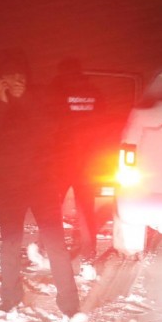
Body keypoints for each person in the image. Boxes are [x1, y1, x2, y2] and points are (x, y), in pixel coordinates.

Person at [0, 48, 80, 317]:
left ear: (26, 76)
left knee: (55, 242)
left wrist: (26, 99)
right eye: (7, 76)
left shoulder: (41, 95)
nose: (14, 80)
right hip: (9, 187)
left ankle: (69, 304)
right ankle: (10, 299)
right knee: (10, 243)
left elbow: (53, 127)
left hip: (42, 183)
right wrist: (1, 102)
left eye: (19, 74)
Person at [46, 58, 110, 262]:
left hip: (61, 159)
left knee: (51, 206)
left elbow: (45, 124)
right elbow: (103, 125)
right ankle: (88, 250)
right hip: (87, 160)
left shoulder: (54, 92)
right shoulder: (93, 92)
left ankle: (49, 248)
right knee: (86, 208)